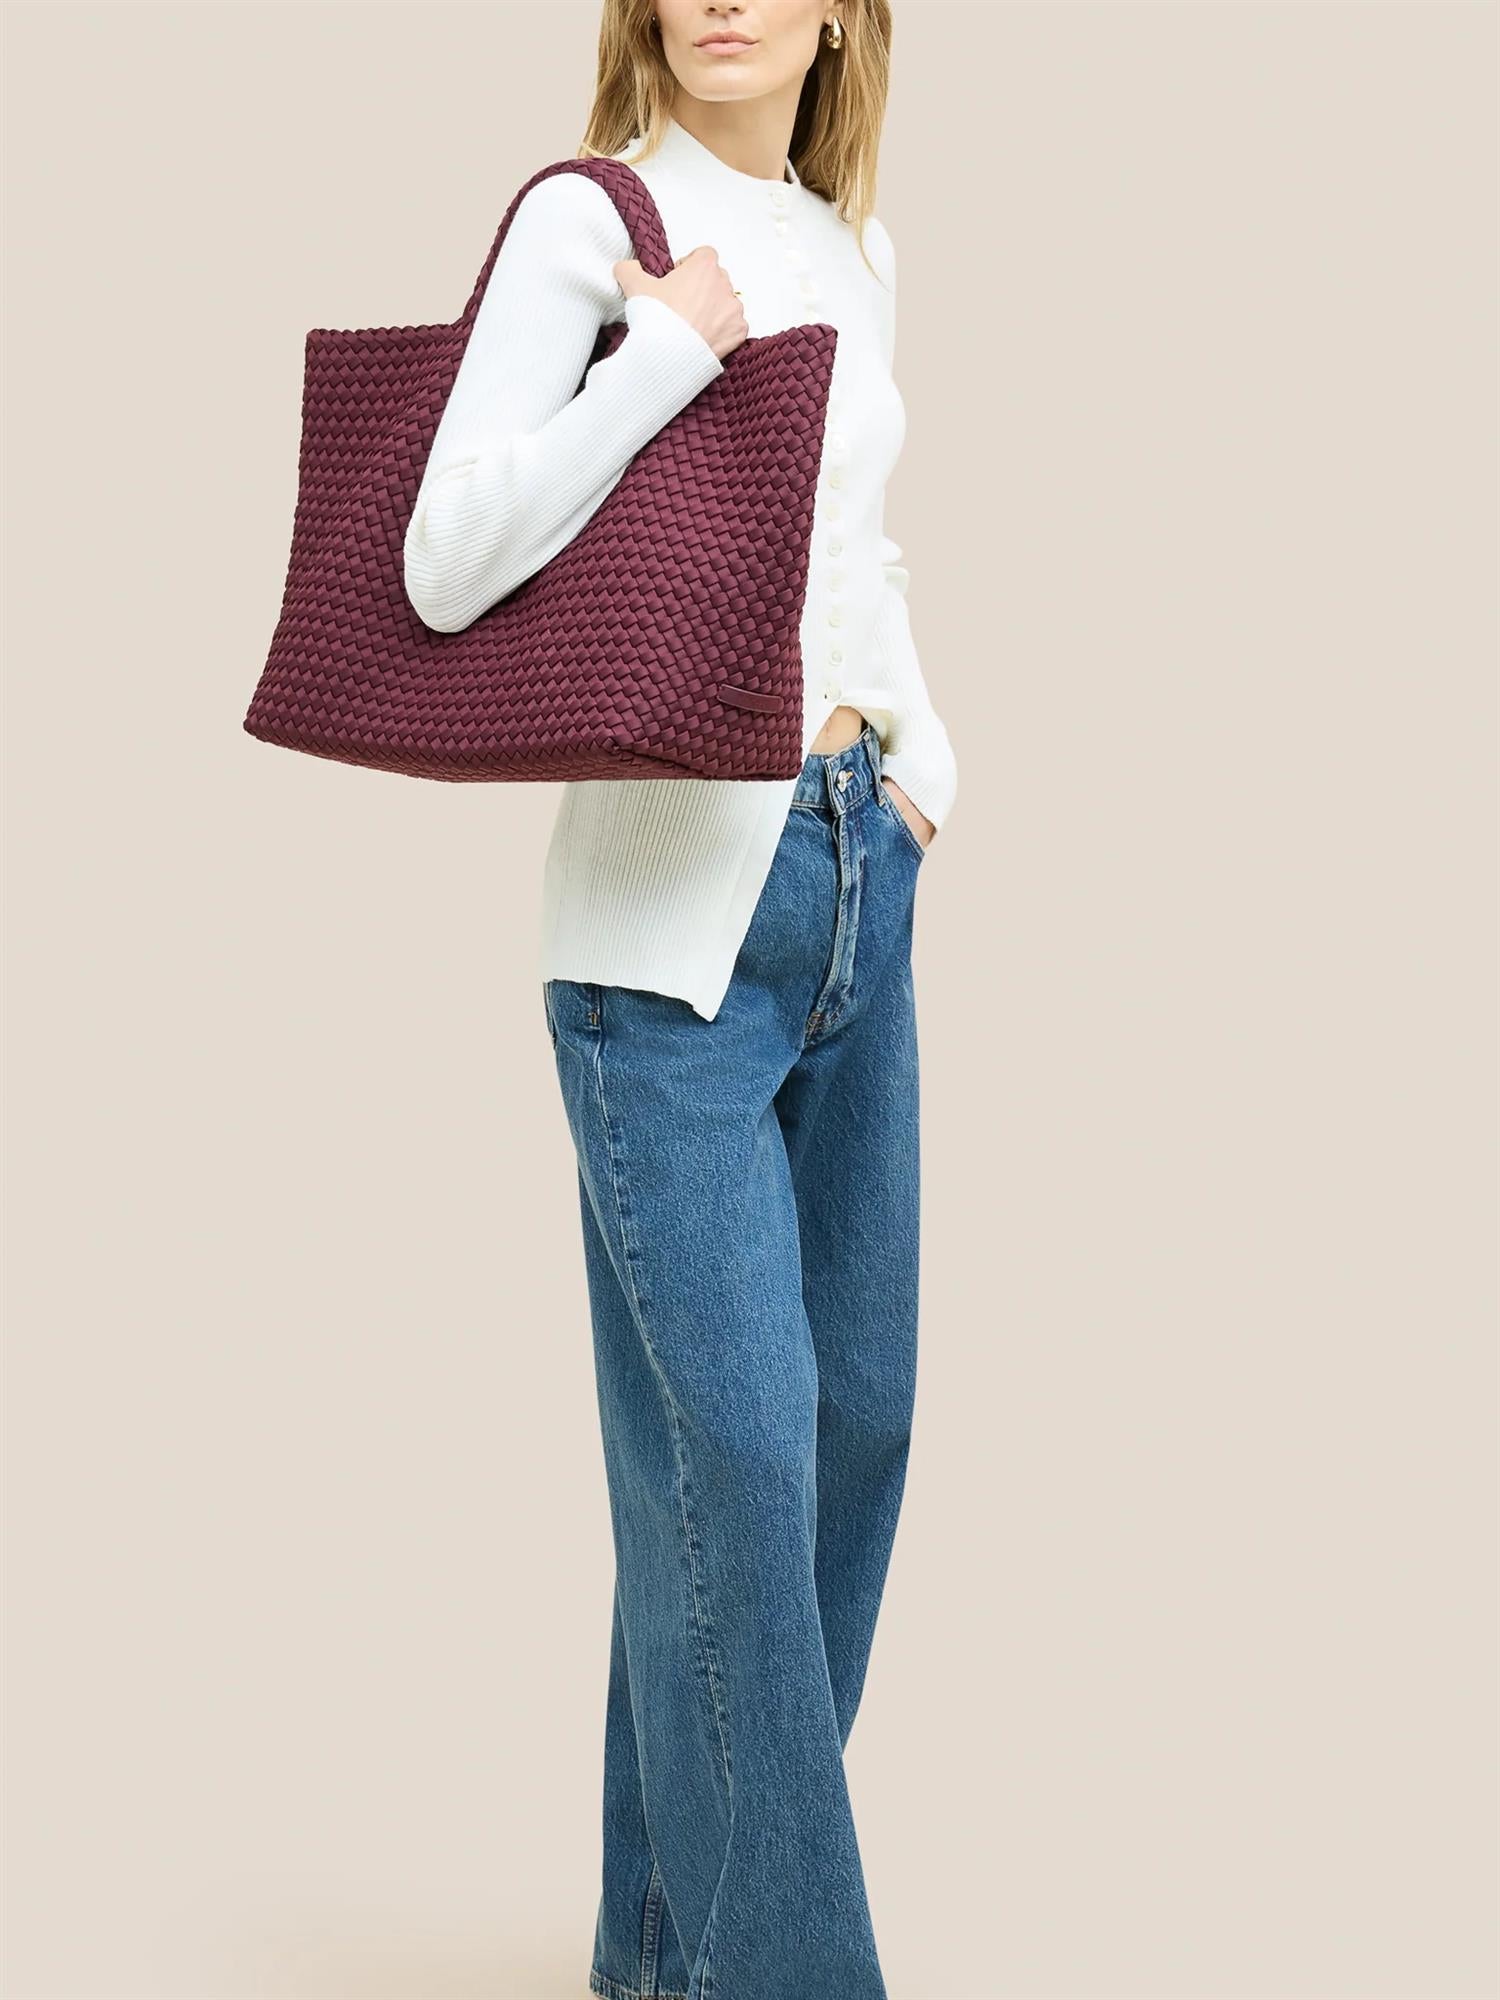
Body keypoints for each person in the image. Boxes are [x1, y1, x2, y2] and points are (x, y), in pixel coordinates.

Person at [404, 5, 957, 1994]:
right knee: (734, 1462)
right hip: (660, 949)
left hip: (852, 883)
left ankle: (658, 1954)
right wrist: (664, 356)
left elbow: (854, 556)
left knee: (851, 1431)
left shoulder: (852, 246)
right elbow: (445, 559)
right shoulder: (596, 222)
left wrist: (922, 768)